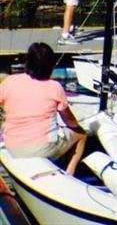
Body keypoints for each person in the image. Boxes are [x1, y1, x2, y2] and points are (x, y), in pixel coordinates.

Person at [0, 43, 87, 175]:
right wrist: (77, 127)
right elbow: (69, 120)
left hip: (12, 146)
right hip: (43, 148)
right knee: (81, 134)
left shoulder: (9, 82)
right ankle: (69, 174)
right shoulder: (55, 87)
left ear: (27, 62)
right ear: (51, 65)